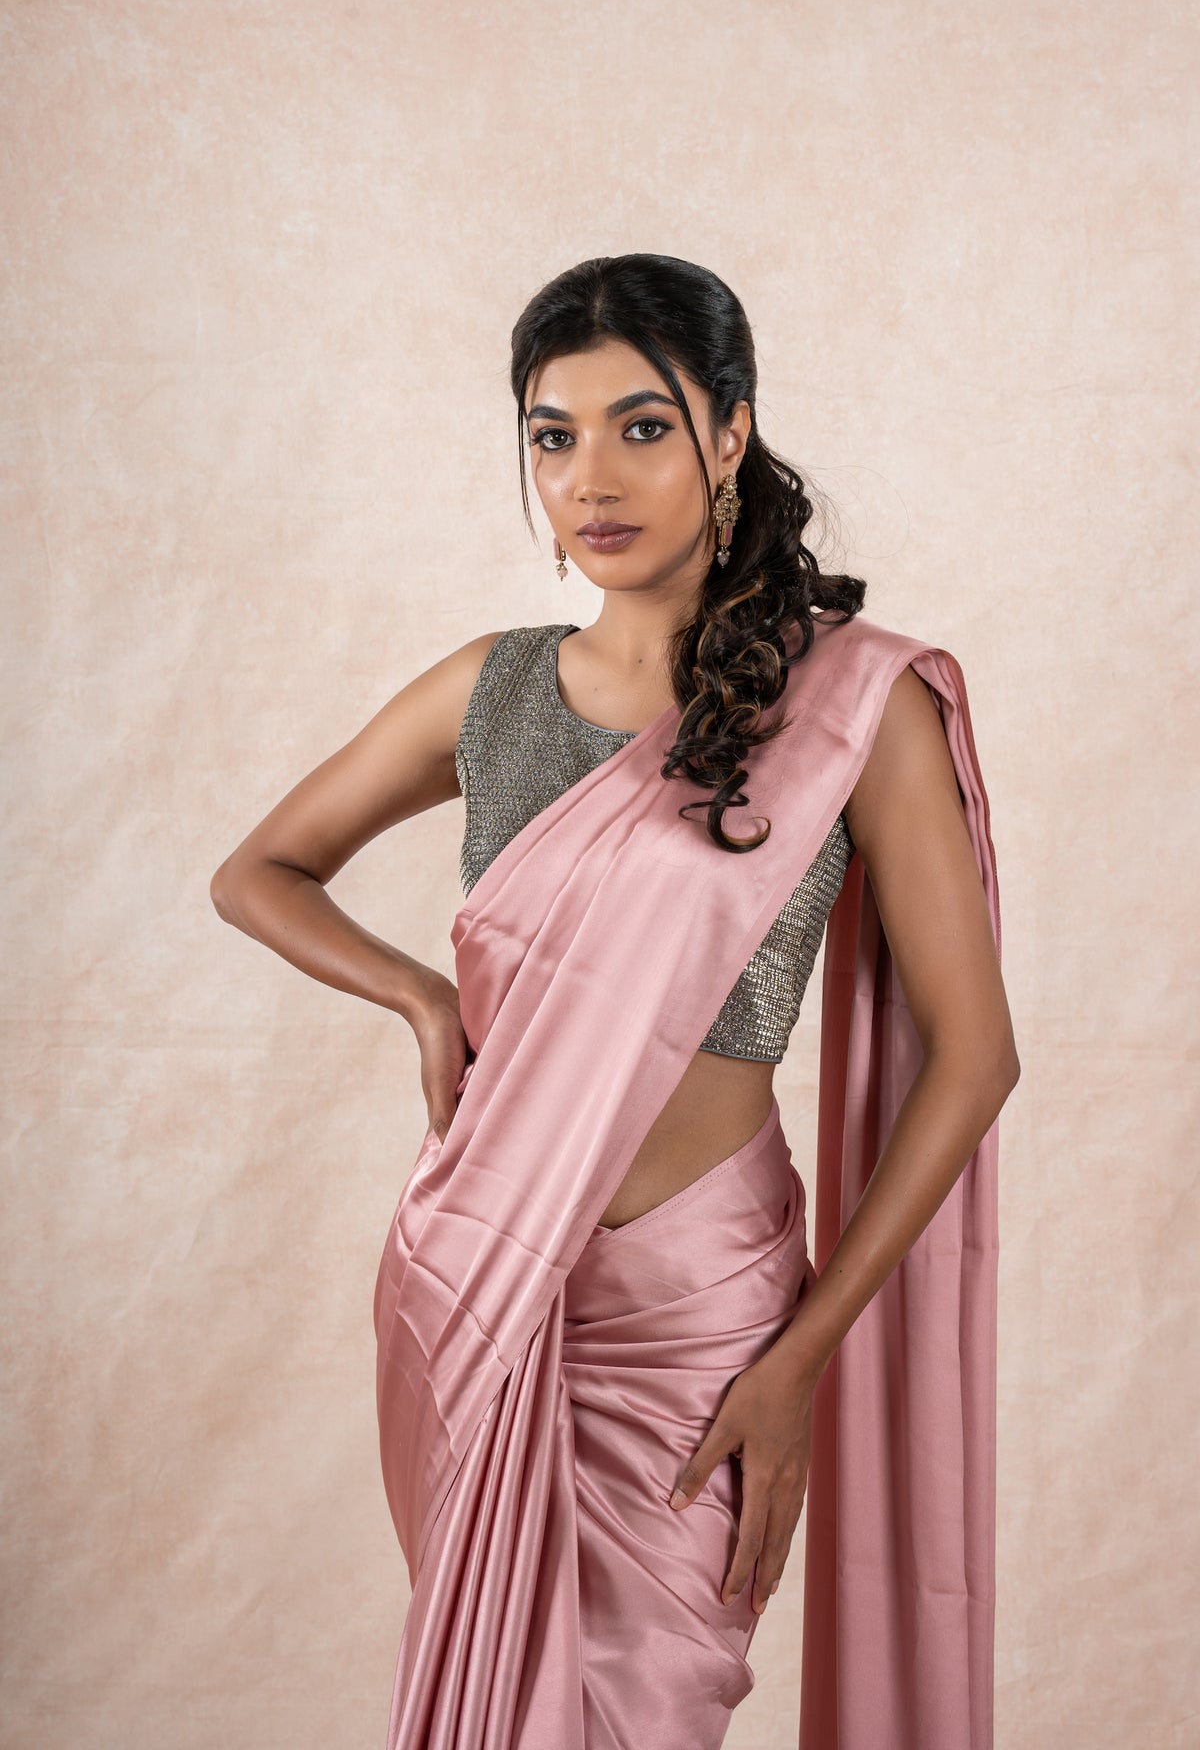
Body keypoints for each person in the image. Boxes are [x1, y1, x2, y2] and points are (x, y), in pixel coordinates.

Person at [211, 253, 1019, 1750]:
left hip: (703, 1313)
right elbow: (258, 870)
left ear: (729, 434)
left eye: (643, 427)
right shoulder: (493, 688)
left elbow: (973, 1062)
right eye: (552, 433)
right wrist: (417, 999)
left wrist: (800, 1358)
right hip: (480, 1276)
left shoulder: (852, 704)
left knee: (645, 1710)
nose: (593, 475)